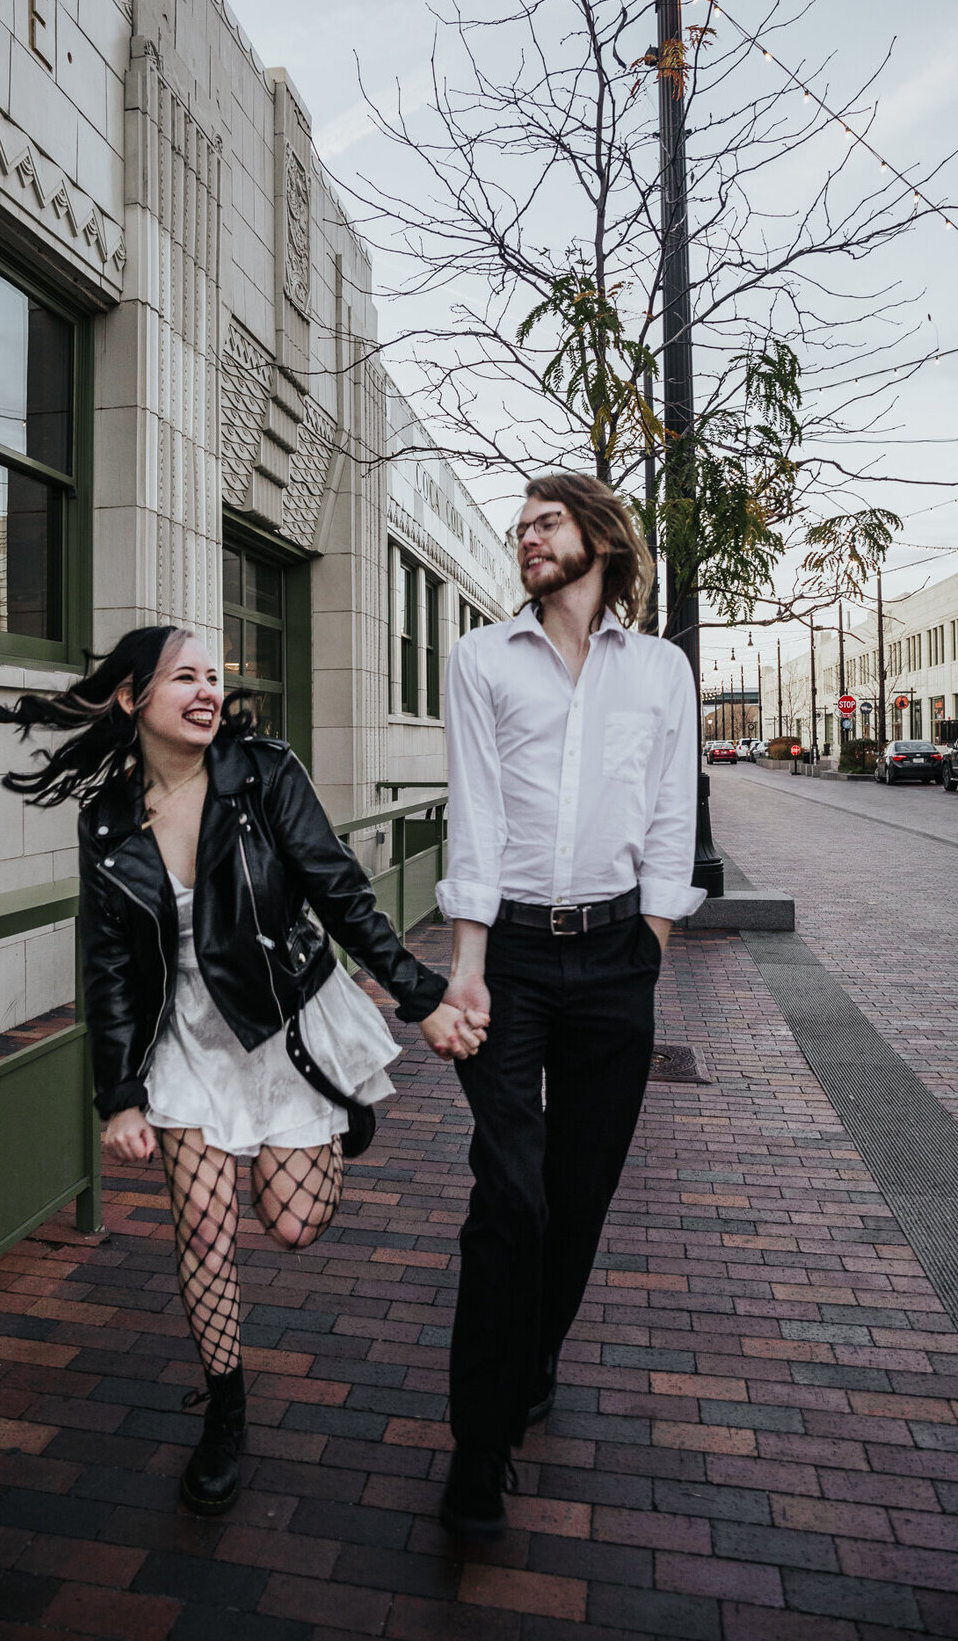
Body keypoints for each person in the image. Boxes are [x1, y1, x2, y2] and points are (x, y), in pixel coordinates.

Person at [0, 625, 478, 1517]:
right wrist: (120, 1094)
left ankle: (340, 1107)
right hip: (185, 1044)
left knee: (294, 1226)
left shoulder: (263, 774)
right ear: (133, 697)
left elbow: (341, 890)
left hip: (284, 1022)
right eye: (185, 677)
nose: (208, 690)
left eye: (214, 676)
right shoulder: (104, 822)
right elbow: (106, 966)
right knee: (205, 1234)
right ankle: (224, 1411)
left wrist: (424, 995)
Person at [435, 472, 705, 1537]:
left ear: (599, 535)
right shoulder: (477, 658)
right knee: (511, 1200)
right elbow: (476, 814)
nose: (526, 541)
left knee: (579, 1198)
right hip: (507, 959)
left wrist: (653, 944)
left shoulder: (664, 671)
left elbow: (674, 812)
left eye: (544, 523)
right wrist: (466, 967)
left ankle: (533, 1351)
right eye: (519, 530)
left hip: (616, 958)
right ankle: (478, 1446)